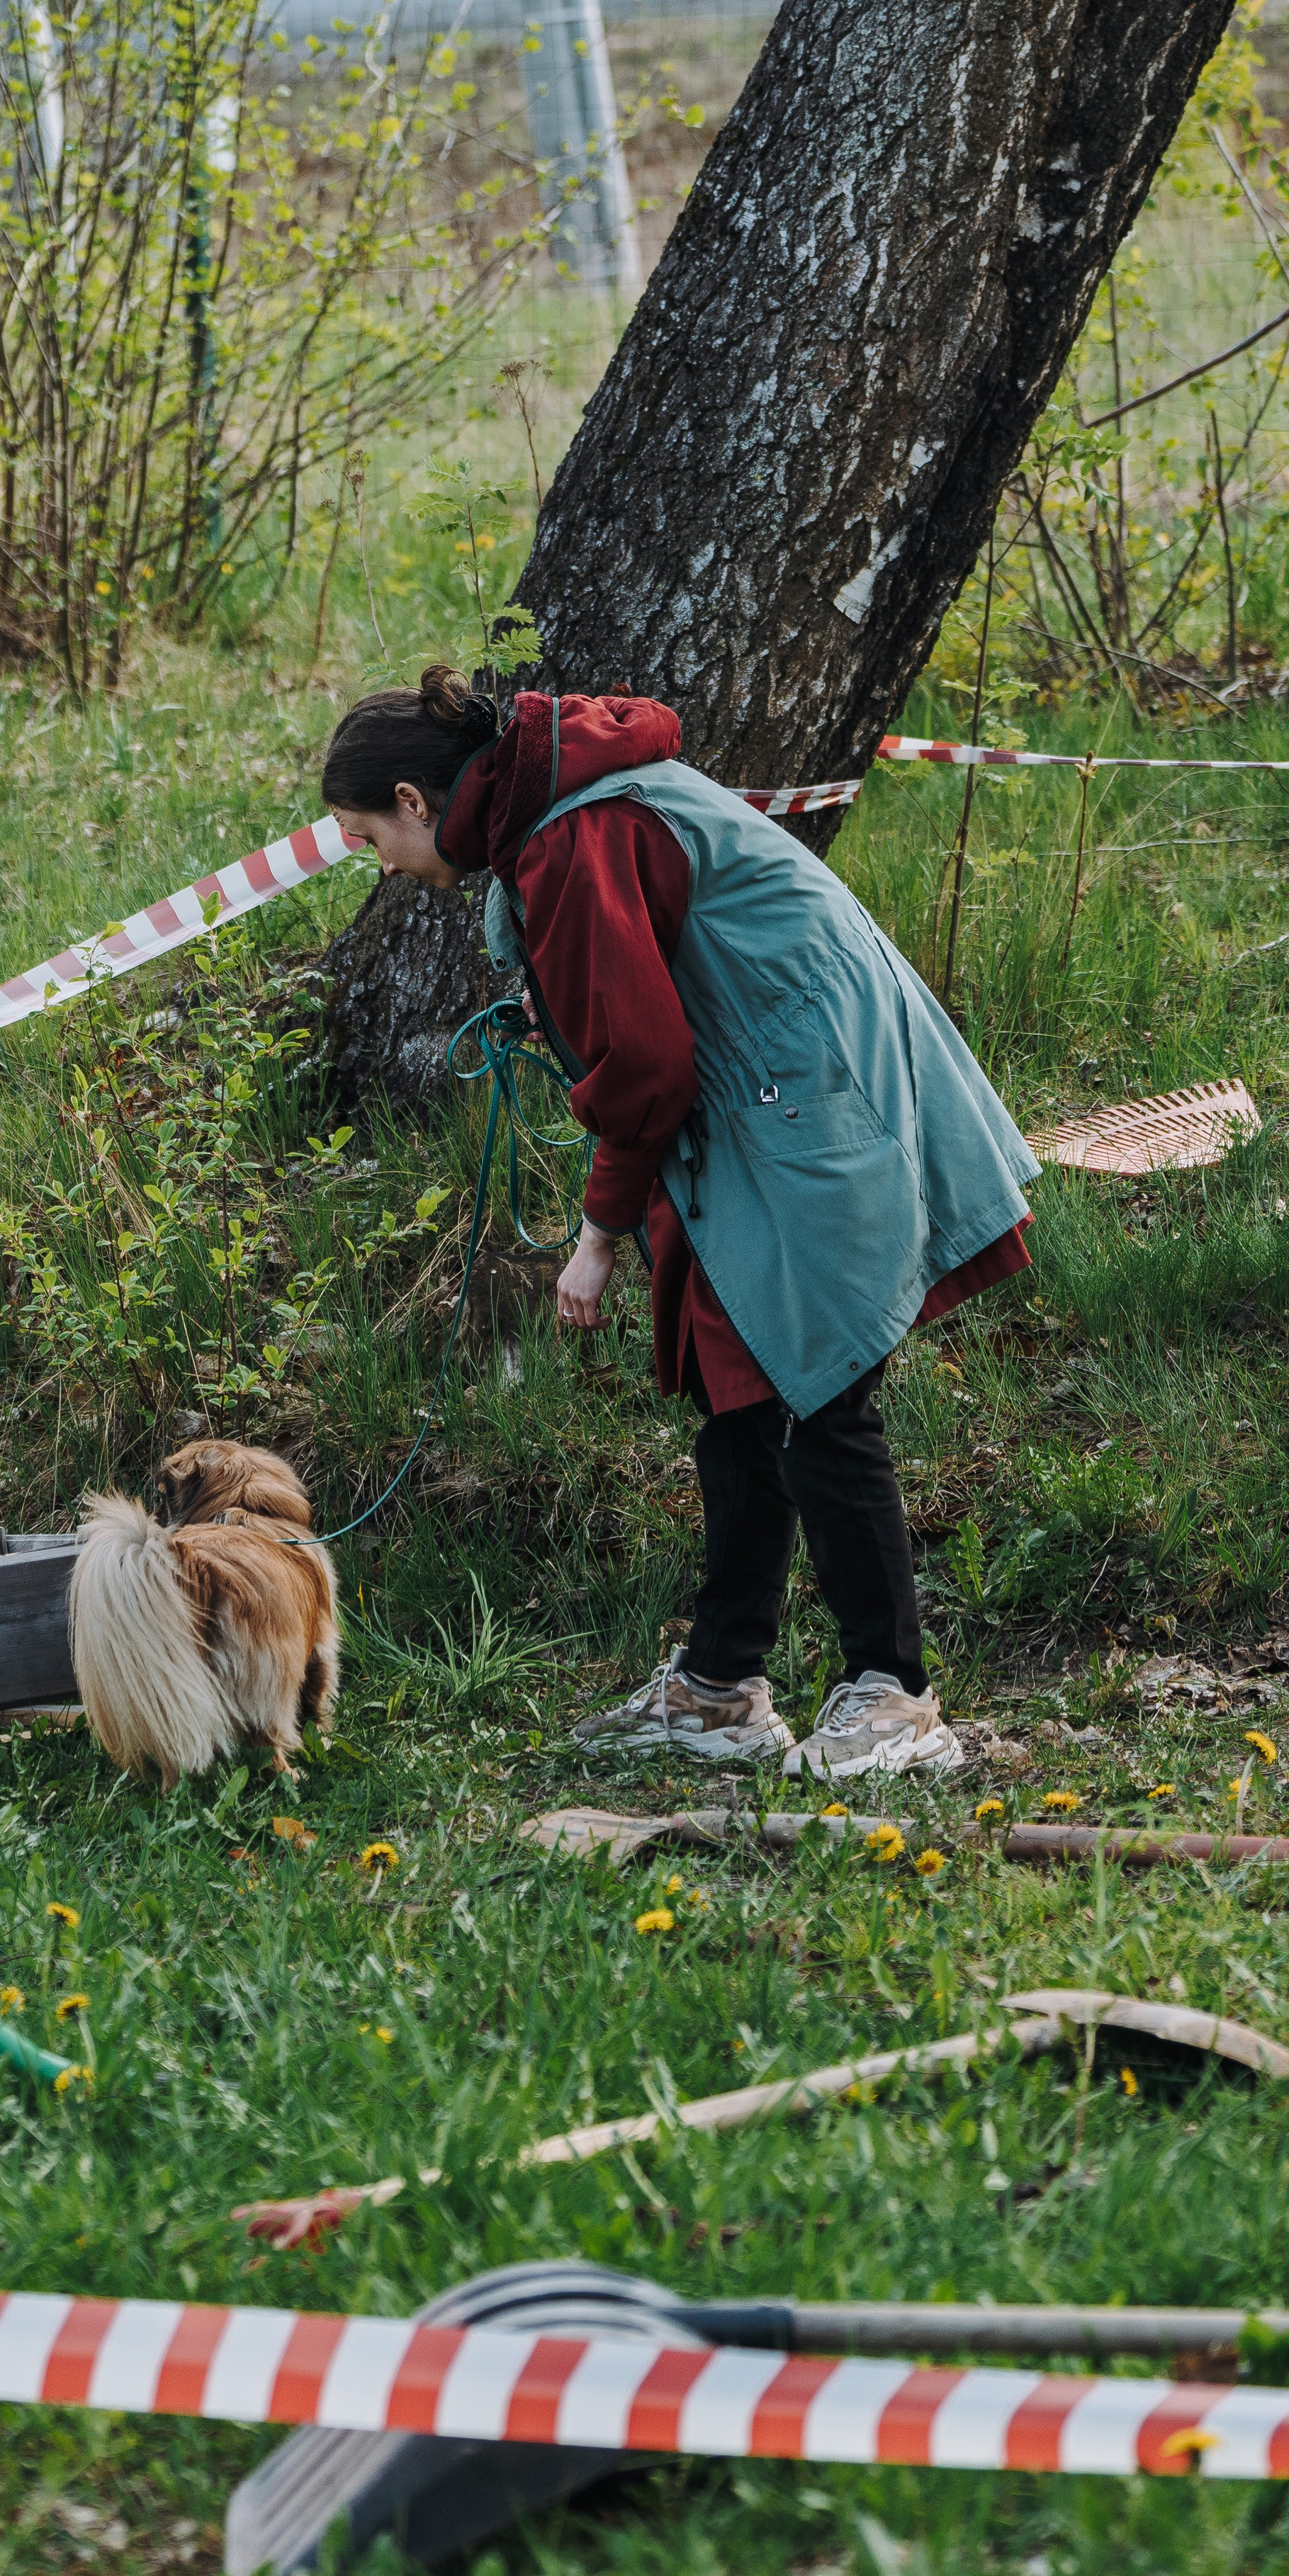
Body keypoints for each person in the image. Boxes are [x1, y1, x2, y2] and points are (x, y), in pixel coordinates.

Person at [322, 666, 1039, 1781]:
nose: (386, 864)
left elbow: (646, 1066)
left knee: (818, 1385)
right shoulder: (545, 806)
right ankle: (719, 1690)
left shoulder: (564, 837)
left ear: (416, 800)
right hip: (770, 1090)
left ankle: (895, 1698)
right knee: (740, 1386)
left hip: (805, 1090)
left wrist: (596, 1237)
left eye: (372, 838)